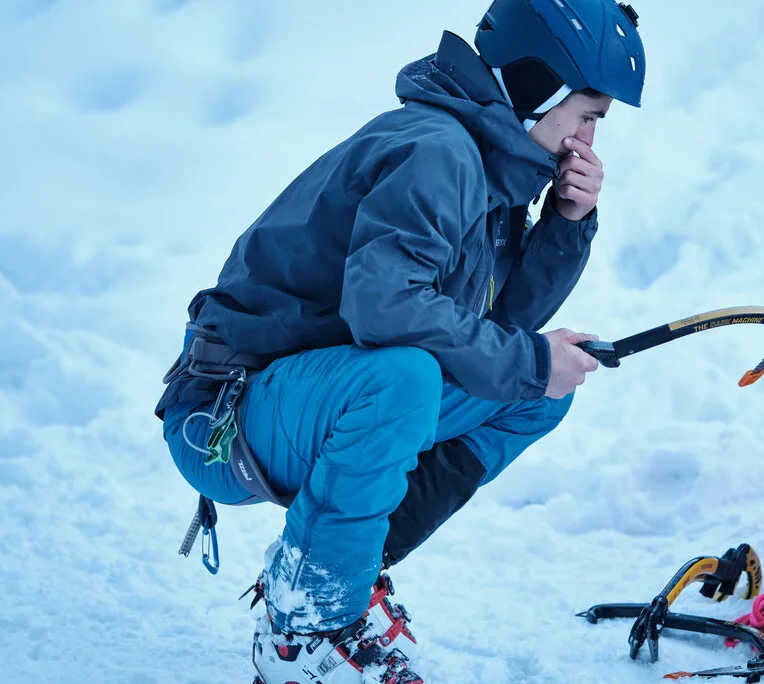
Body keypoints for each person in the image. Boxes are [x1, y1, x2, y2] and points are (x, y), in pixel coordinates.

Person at [156, 1, 646, 681]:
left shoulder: (490, 176)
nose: (589, 139)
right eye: (587, 113)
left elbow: (500, 335)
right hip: (224, 418)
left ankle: (342, 571)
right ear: (538, 88)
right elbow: (383, 308)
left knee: (537, 392)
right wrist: (529, 360)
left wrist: (565, 222)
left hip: (309, 404)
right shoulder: (438, 152)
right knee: (411, 377)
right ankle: (308, 623)